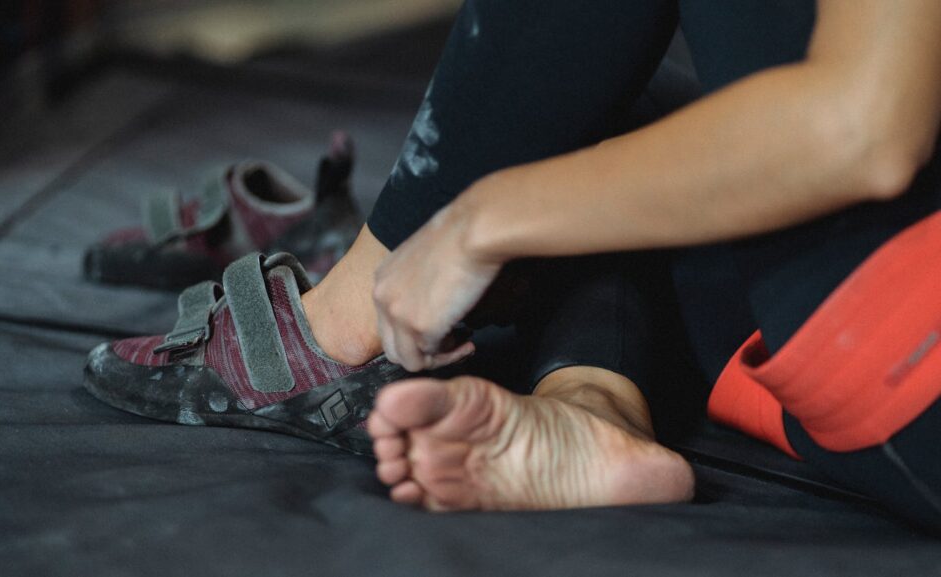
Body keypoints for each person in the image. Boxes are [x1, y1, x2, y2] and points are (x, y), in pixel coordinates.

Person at [88, 0, 941, 530]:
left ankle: (338, 329)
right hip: (892, 365)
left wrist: (477, 221)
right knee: (607, 121)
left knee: (557, 162)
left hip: (911, 360)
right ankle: (593, 405)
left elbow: (859, 129)